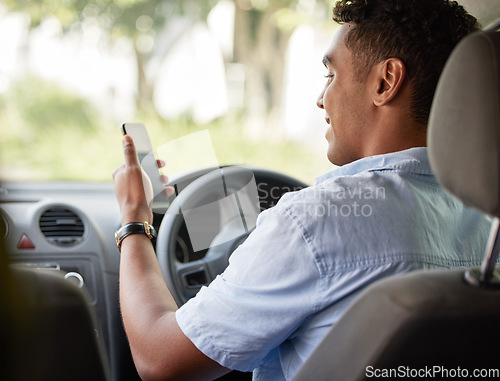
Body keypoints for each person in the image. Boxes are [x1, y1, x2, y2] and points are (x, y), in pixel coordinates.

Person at [112, 0, 489, 380]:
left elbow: (159, 359)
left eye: (331, 76)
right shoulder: (489, 221)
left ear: (385, 81)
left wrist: (134, 220)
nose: (320, 98)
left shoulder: (315, 222)